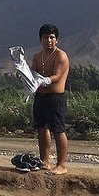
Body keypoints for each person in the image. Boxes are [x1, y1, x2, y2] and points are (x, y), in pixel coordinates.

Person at [31, 24, 70, 174]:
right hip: (40, 97)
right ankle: (45, 161)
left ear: (56, 40)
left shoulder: (60, 56)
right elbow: (32, 73)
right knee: (42, 128)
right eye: (45, 37)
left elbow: (57, 76)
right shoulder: (37, 56)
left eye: (52, 37)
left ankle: (62, 165)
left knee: (58, 129)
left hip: (55, 98)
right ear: (40, 39)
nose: (49, 40)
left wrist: (43, 81)